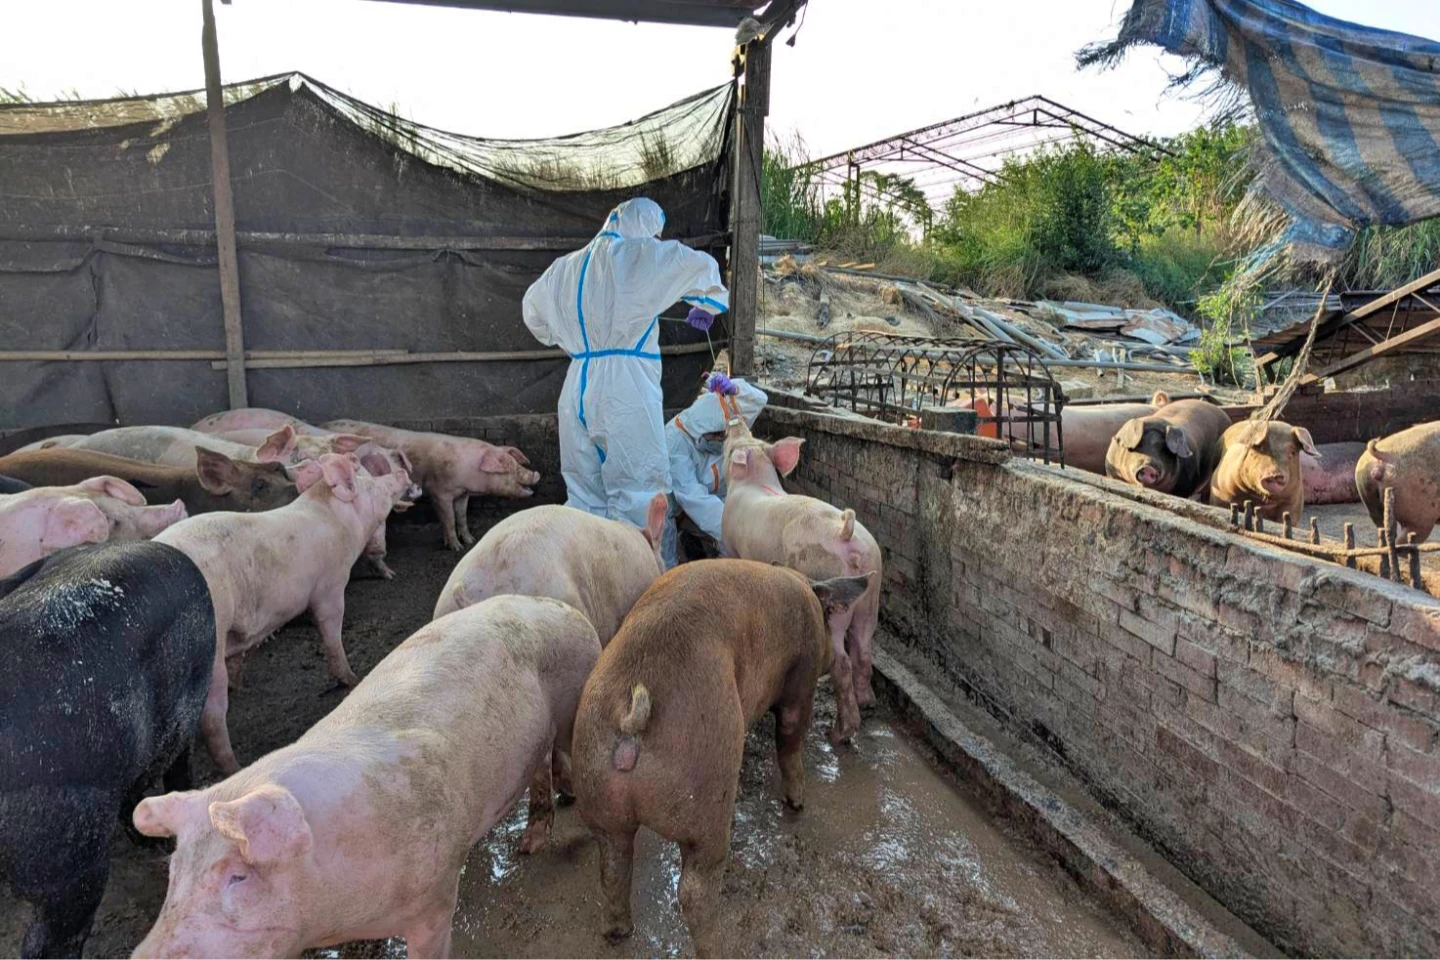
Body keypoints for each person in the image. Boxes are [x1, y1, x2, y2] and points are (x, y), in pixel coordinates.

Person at [523, 197, 729, 530]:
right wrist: (709, 303)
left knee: (584, 494)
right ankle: (647, 576)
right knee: (641, 492)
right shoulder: (635, 254)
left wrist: (569, 335)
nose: (655, 240)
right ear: (645, 227)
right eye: (654, 233)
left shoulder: (563, 267)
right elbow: (697, 266)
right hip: (626, 387)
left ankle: (591, 572)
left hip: (577, 383)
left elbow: (532, 314)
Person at [661, 373, 767, 568]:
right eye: (719, 436)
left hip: (719, 501)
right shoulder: (675, 442)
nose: (723, 440)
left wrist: (736, 389)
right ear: (706, 431)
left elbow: (759, 401)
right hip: (679, 509)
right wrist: (739, 530)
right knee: (666, 565)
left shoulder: (726, 421)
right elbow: (695, 500)